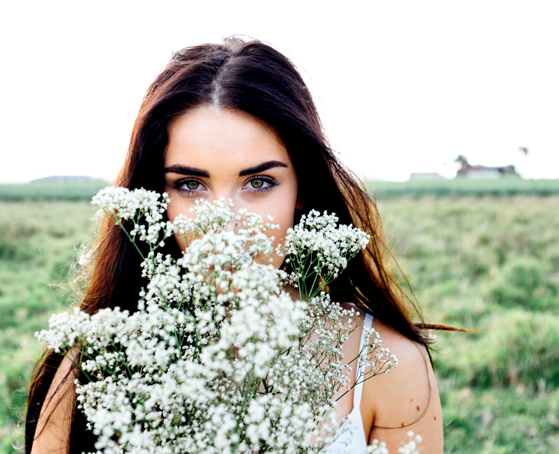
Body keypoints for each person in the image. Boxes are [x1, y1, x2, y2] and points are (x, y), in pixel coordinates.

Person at [25, 37, 444, 453]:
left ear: (302, 191)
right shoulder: (98, 362)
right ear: (154, 197)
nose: (224, 224)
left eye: (259, 182)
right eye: (190, 184)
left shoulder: (386, 363)